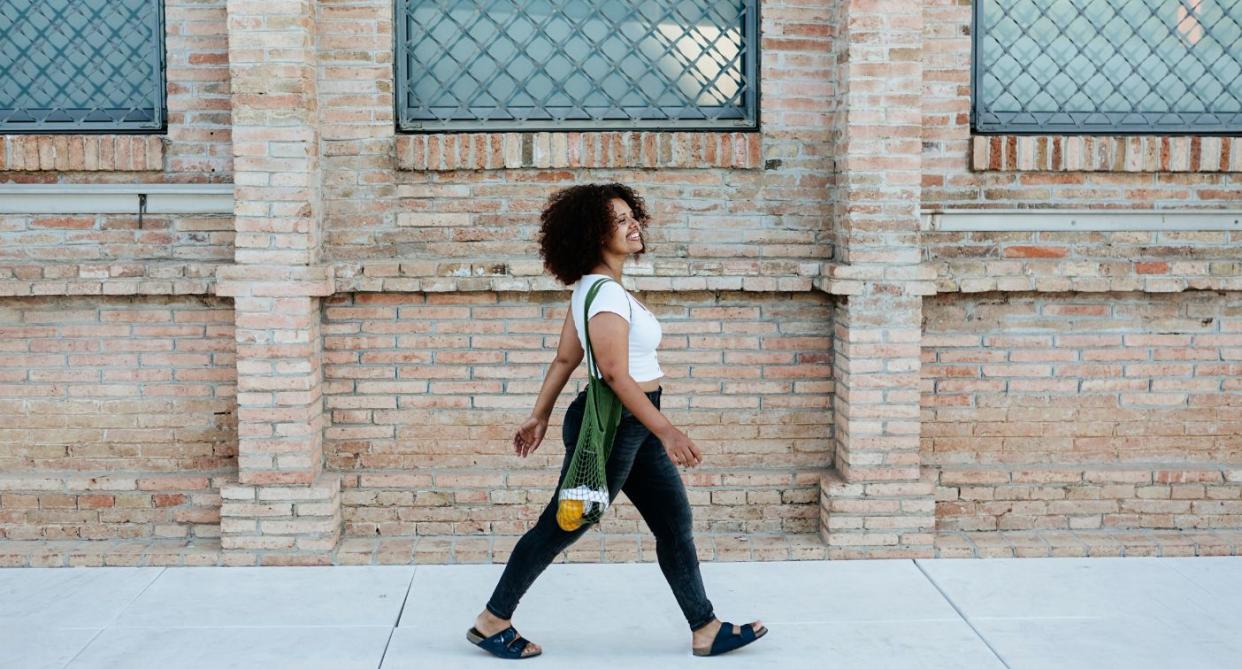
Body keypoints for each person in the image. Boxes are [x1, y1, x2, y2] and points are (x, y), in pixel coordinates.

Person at [465, 183, 767, 659]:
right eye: (619, 219)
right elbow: (613, 374)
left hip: (633, 424)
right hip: (617, 424)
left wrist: (538, 415)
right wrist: (667, 430)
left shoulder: (593, 288)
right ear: (592, 232)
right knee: (563, 525)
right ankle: (492, 621)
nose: (633, 225)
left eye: (633, 216)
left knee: (673, 523)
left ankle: (704, 628)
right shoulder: (604, 294)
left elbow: (566, 358)